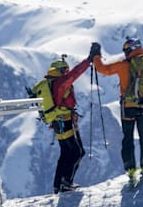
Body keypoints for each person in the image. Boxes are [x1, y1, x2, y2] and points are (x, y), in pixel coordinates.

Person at [30, 44, 100, 194]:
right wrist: (89, 60)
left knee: (65, 152)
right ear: (60, 71)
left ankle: (58, 185)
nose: (66, 73)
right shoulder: (60, 83)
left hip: (57, 121)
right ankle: (66, 182)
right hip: (65, 120)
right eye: (64, 70)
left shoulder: (50, 84)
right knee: (76, 152)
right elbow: (75, 73)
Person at [94, 37, 143, 186]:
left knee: (127, 137)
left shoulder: (123, 65)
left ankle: (130, 170)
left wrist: (96, 56)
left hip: (128, 107)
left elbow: (103, 69)